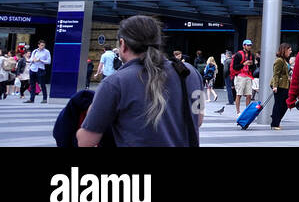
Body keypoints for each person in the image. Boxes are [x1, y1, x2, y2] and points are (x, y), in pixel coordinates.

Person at [77, 15, 203, 147]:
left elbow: (86, 141)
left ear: (123, 44)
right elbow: (198, 120)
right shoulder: (190, 73)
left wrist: (92, 111)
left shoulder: (114, 83)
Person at [269, 43, 292, 130]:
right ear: (284, 50)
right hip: (279, 85)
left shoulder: (285, 60)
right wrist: (275, 86)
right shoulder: (279, 60)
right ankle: (275, 124)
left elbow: (285, 73)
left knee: (285, 104)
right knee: (278, 104)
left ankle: (275, 118)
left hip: (285, 85)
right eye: (289, 50)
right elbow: (276, 74)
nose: (290, 52)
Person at [231, 38, 256, 115]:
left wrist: (251, 65)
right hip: (240, 76)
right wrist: (244, 64)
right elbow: (235, 67)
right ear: (243, 46)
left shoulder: (252, 55)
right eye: (248, 45)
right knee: (239, 94)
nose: (249, 47)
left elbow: (253, 67)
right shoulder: (238, 54)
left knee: (249, 94)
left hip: (248, 76)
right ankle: (238, 112)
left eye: (250, 45)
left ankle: (247, 111)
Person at [26, 39, 51, 103]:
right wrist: (32, 60)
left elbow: (48, 61)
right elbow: (31, 59)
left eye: (43, 45)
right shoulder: (35, 51)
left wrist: (41, 61)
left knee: (42, 84)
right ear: (38, 45)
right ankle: (32, 99)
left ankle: (44, 98)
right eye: (41, 45)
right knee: (32, 84)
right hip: (33, 68)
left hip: (40, 69)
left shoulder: (46, 52)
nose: (42, 47)